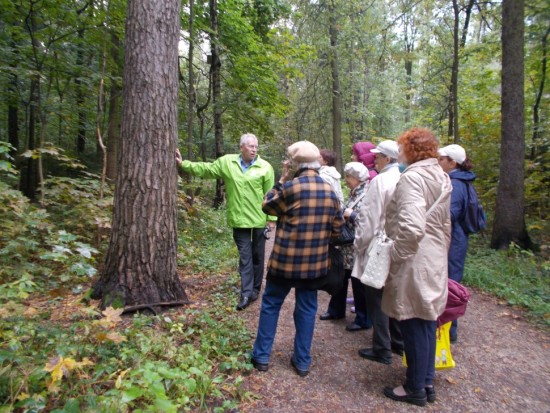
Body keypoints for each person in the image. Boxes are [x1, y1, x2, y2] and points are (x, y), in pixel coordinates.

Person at [250, 141, 343, 377]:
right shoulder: (330, 192)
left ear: (296, 166)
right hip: (314, 266)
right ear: (316, 166)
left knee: (271, 306)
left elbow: (267, 206)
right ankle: (302, 361)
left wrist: (281, 179)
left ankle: (261, 357)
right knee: (307, 310)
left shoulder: (290, 188)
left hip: (284, 263)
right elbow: (337, 230)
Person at [381, 127, 452, 407]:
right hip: (433, 256)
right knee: (425, 320)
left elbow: (411, 227)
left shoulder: (413, 178)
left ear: (411, 150)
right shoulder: (440, 176)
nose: (399, 154)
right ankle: (426, 381)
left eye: (401, 149)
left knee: (411, 321)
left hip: (414, 258)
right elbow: (445, 224)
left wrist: (397, 256)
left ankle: (414, 389)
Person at [176, 133, 276, 311]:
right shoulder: (227, 163)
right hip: (238, 219)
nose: (254, 150)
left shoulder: (265, 167)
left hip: (259, 219)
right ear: (241, 147)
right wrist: (184, 164)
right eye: (251, 146)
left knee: (258, 257)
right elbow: (207, 169)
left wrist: (272, 219)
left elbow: (271, 195)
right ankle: (246, 293)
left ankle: (255, 290)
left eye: (256, 147)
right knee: (245, 258)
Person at [351, 140, 404, 364]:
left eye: (379, 156)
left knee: (376, 296)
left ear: (388, 159)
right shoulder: (405, 178)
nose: (375, 159)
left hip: (378, 246)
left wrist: (359, 244)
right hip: (399, 245)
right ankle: (398, 344)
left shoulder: (380, 181)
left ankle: (381, 347)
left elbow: (369, 218)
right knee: (394, 295)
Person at [319, 162, 372, 332]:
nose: (346, 180)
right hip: (346, 246)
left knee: (358, 283)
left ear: (356, 178)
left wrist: (352, 215)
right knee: (340, 278)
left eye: (348, 177)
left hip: (357, 246)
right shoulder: (354, 192)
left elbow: (370, 220)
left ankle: (364, 318)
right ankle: (336, 310)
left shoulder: (368, 194)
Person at [438, 144, 476, 343]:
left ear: (452, 162)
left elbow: (449, 214)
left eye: (442, 159)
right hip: (457, 237)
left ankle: (447, 330)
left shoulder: (456, 184)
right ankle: (448, 328)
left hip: (454, 239)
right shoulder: (461, 180)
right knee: (450, 280)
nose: (438, 162)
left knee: (449, 283)